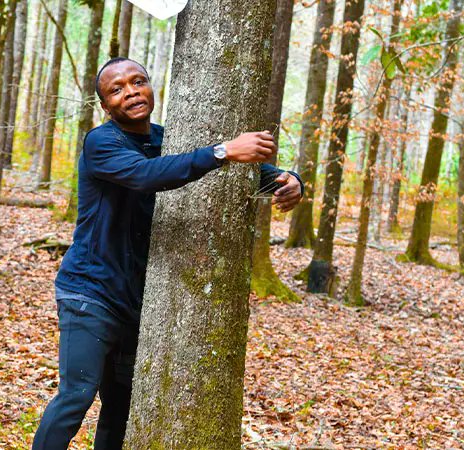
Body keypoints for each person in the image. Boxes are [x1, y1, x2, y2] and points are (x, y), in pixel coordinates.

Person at [31, 57, 304, 450]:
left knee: (121, 406)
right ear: (106, 106)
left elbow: (241, 168)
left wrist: (289, 180)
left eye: (138, 81)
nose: (131, 92)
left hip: (137, 303)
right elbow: (148, 175)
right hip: (89, 295)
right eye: (117, 89)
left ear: (150, 86)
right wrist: (224, 150)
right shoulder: (102, 143)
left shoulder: (167, 137)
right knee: (77, 394)